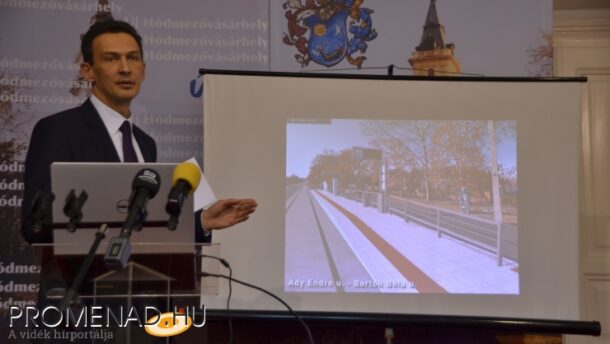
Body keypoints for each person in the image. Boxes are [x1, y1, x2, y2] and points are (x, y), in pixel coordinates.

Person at [21, 19, 257, 244]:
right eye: (111, 59)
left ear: (143, 70)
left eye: (132, 58)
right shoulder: (58, 130)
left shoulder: (145, 143)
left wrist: (202, 222)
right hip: (74, 284)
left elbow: (142, 226)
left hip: (134, 283)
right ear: (88, 71)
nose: (125, 69)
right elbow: (36, 226)